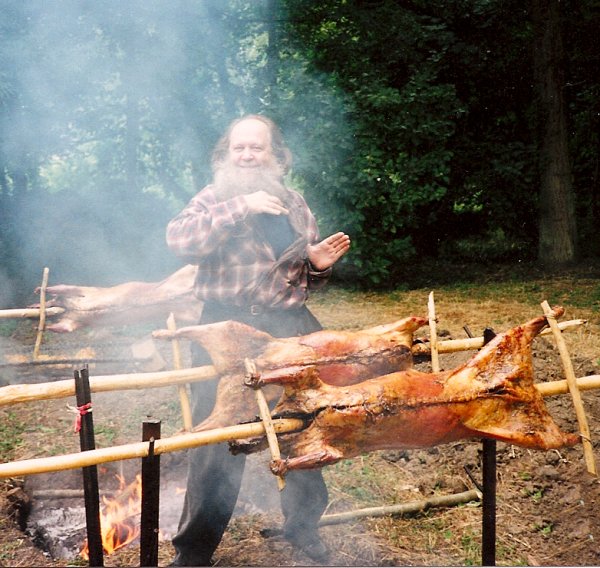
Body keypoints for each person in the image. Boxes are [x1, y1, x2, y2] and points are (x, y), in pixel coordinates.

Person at [165, 114, 351, 566]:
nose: (248, 155)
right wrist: (241, 206)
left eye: (257, 148)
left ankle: (302, 527)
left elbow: (298, 278)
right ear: (225, 156)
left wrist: (318, 265)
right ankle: (194, 552)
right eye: (239, 148)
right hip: (225, 331)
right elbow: (179, 241)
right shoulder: (212, 199)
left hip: (288, 328)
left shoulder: (294, 203)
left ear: (277, 156)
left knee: (304, 426)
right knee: (219, 439)